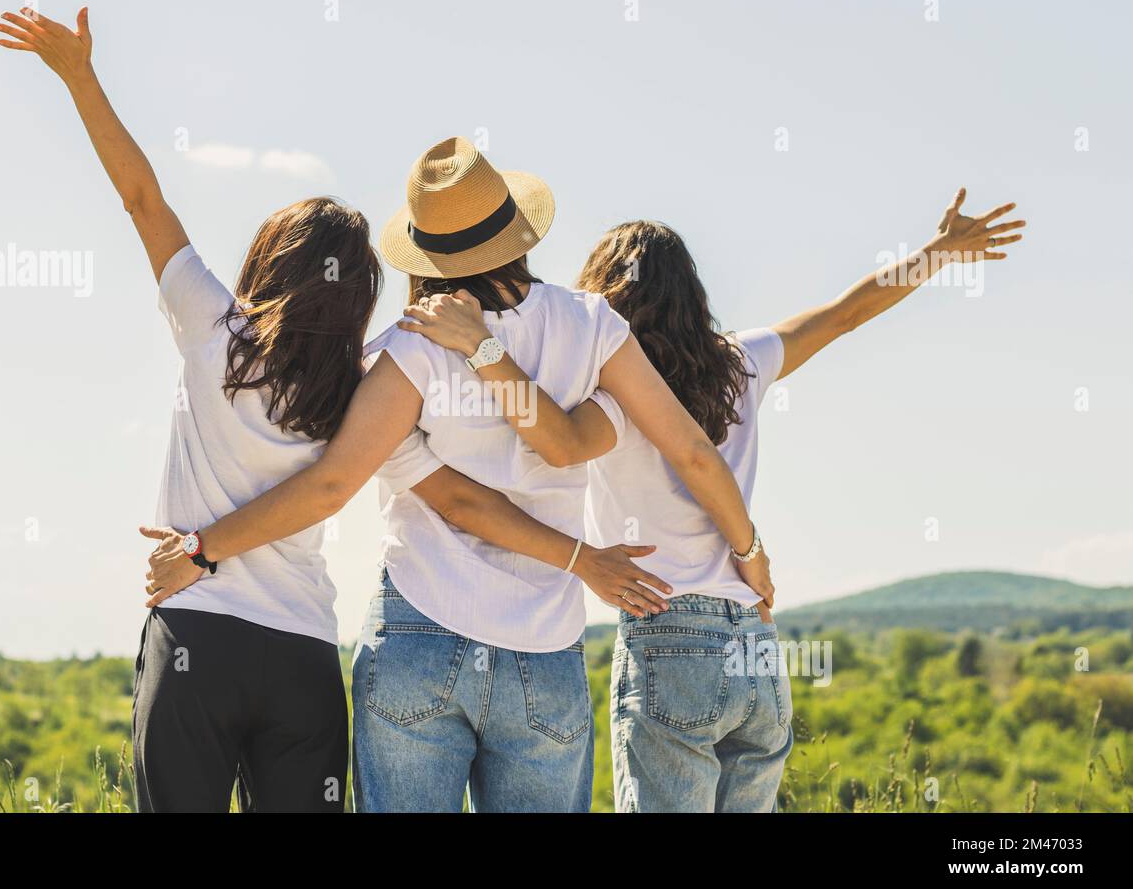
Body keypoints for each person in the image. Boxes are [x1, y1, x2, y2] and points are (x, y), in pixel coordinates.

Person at [0, 6, 670, 812]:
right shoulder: (362, 381)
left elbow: (143, 198)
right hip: (303, 653)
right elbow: (467, 487)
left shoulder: (233, 334)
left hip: (201, 632)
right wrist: (586, 555)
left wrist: (80, 78)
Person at [146, 136, 772, 812]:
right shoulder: (593, 326)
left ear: (427, 254)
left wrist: (202, 548)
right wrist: (749, 552)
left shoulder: (402, 353)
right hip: (544, 646)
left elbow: (338, 487)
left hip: (419, 631)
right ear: (515, 228)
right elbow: (693, 454)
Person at [396, 189, 1024, 811]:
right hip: (754, 638)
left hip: (668, 632)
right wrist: (938, 252)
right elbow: (844, 314)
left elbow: (557, 441)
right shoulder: (743, 362)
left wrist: (483, 349)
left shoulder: (615, 397)